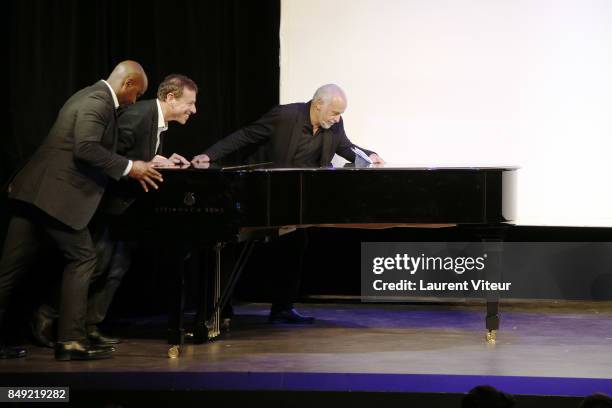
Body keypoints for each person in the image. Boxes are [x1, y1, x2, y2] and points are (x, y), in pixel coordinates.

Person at [0, 61, 162, 360]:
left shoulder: (87, 95)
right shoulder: (97, 101)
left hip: (33, 193)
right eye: (137, 94)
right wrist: (130, 167)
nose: (136, 100)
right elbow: (85, 148)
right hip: (55, 196)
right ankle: (71, 342)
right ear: (127, 85)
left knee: (8, 272)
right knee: (84, 258)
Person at [192, 84, 384, 323]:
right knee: (237, 246)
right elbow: (246, 135)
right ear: (318, 104)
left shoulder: (335, 124)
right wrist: (210, 155)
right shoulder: (285, 116)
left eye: (340, 114)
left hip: (294, 200)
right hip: (260, 191)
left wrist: (370, 155)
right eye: (334, 112)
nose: (337, 118)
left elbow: (345, 147)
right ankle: (220, 308)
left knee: (294, 247)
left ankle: (283, 307)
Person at [30, 74, 198, 348]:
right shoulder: (140, 114)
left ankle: (90, 325)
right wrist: (138, 165)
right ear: (170, 97)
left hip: (126, 208)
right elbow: (108, 153)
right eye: (190, 103)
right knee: (95, 265)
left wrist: (159, 161)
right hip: (105, 204)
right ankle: (46, 315)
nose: (194, 110)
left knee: (117, 267)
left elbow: (135, 155)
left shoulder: (156, 122)